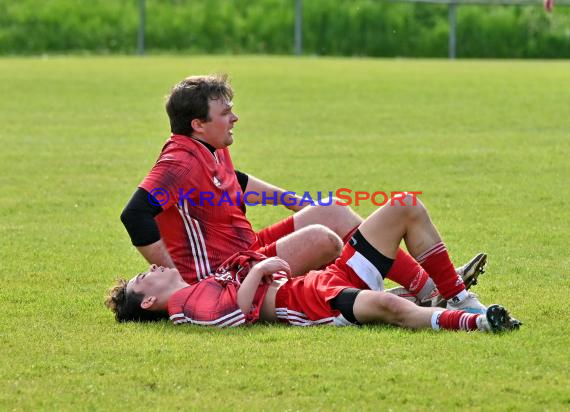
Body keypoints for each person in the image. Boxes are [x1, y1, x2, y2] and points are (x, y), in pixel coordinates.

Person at [107, 193, 522, 332]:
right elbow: (229, 315)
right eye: (145, 277)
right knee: (389, 308)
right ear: (148, 303)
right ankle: (477, 322)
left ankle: (458, 297)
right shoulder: (184, 306)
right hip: (314, 303)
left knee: (405, 207)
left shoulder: (196, 275)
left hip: (324, 278)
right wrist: (257, 268)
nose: (153, 268)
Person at [120, 74, 362, 284]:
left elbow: (234, 179)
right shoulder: (181, 161)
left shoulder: (211, 145)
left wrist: (295, 201)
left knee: (333, 209)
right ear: (198, 124)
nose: (235, 118)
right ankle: (371, 289)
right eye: (225, 113)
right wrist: (175, 278)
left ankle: (394, 282)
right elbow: (135, 214)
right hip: (229, 274)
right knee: (321, 239)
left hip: (249, 249)